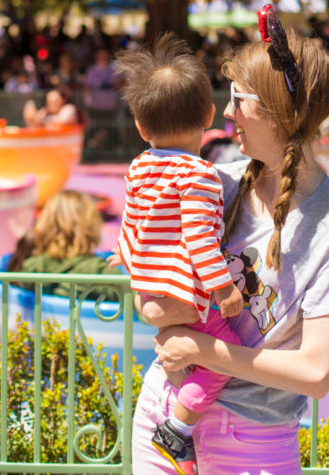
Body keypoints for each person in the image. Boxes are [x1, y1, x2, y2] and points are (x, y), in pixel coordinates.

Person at [131, 5, 329, 475]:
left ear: (277, 112)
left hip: (251, 439)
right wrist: (151, 308)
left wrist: (202, 352)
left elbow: (316, 374)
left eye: (237, 98)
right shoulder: (211, 184)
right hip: (162, 409)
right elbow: (151, 269)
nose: (225, 112)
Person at [113, 34, 244, 474]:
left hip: (146, 292)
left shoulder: (138, 167)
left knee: (180, 356)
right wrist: (223, 288)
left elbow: (131, 223)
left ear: (141, 128)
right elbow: (198, 239)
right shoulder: (201, 174)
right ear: (209, 116)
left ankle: (173, 398)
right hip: (185, 296)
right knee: (226, 353)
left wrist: (126, 257)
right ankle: (180, 427)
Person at [7, 189, 116, 298]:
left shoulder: (29, 268)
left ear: (44, 223)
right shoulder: (101, 271)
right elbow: (130, 302)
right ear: (91, 225)